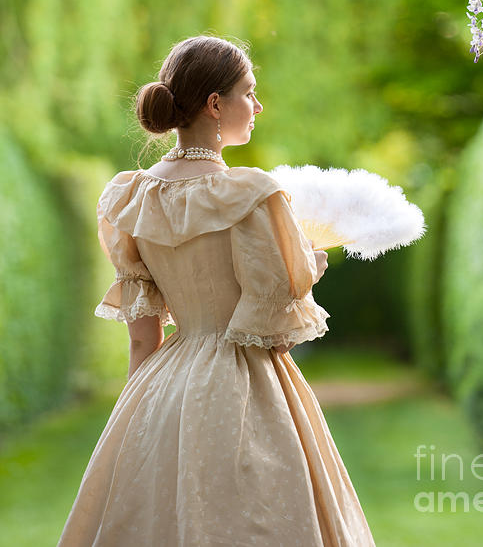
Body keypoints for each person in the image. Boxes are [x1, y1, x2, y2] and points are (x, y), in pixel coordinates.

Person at [57, 35, 377, 547]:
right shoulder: (251, 193)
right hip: (244, 385)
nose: (258, 105)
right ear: (214, 104)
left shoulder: (131, 197)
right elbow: (273, 328)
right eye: (249, 92)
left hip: (163, 389)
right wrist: (310, 265)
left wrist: (139, 418)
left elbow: (143, 340)